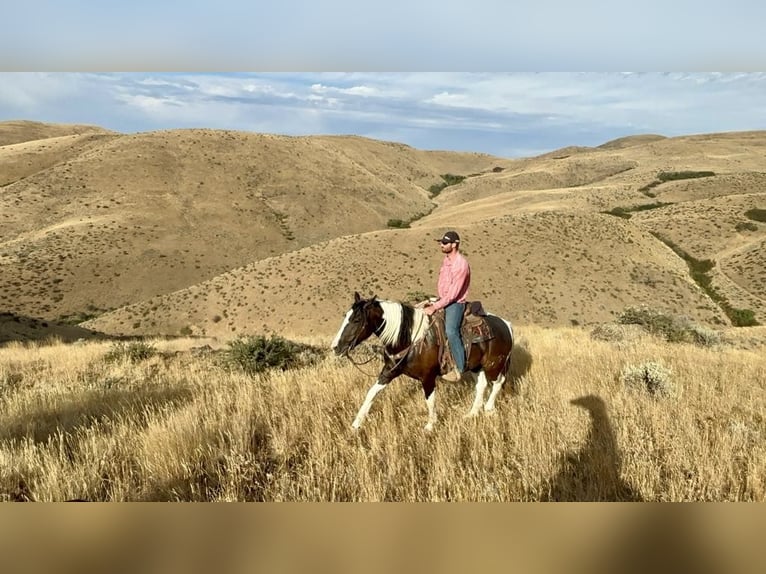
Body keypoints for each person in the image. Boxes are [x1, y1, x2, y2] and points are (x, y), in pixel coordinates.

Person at [423, 230, 471, 382]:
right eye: (441, 242)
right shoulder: (446, 260)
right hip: (443, 299)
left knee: (451, 331)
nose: (441, 245)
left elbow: (453, 294)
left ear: (455, 244)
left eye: (444, 243)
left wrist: (435, 306)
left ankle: (460, 368)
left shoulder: (461, 264)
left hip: (455, 303)